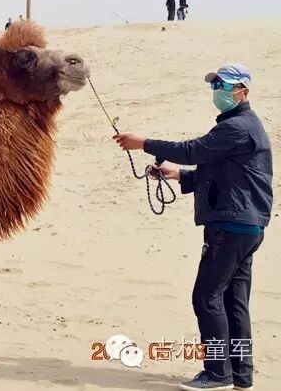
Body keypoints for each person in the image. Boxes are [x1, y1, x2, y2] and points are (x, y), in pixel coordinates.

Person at [113, 63, 271, 391]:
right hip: (246, 226)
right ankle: (240, 373)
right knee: (233, 299)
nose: (217, 91)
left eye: (224, 86)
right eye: (215, 85)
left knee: (206, 297)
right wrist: (179, 176)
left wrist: (144, 143)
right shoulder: (239, 127)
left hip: (231, 226)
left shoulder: (238, 126)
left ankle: (218, 373)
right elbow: (222, 173)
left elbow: (193, 151)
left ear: (242, 92)